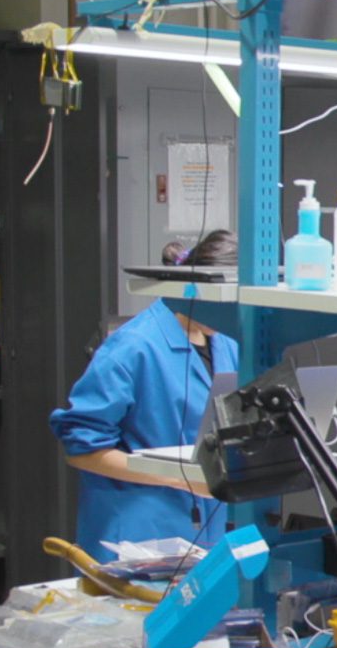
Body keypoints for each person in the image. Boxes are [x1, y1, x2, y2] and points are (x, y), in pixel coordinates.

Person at [50, 230, 238, 562]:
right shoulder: (133, 347)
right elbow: (81, 448)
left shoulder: (227, 345)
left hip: (208, 524)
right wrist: (174, 477)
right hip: (137, 535)